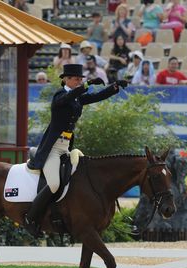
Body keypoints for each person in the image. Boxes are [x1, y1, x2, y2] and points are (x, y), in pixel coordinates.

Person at [24, 64, 127, 236]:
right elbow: (67, 98)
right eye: (77, 79)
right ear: (66, 79)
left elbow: (96, 97)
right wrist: (85, 86)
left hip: (66, 148)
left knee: (84, 174)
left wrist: (115, 86)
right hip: (52, 149)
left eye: (81, 79)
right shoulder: (59, 96)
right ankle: (31, 218)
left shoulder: (77, 98)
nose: (79, 82)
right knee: (55, 183)